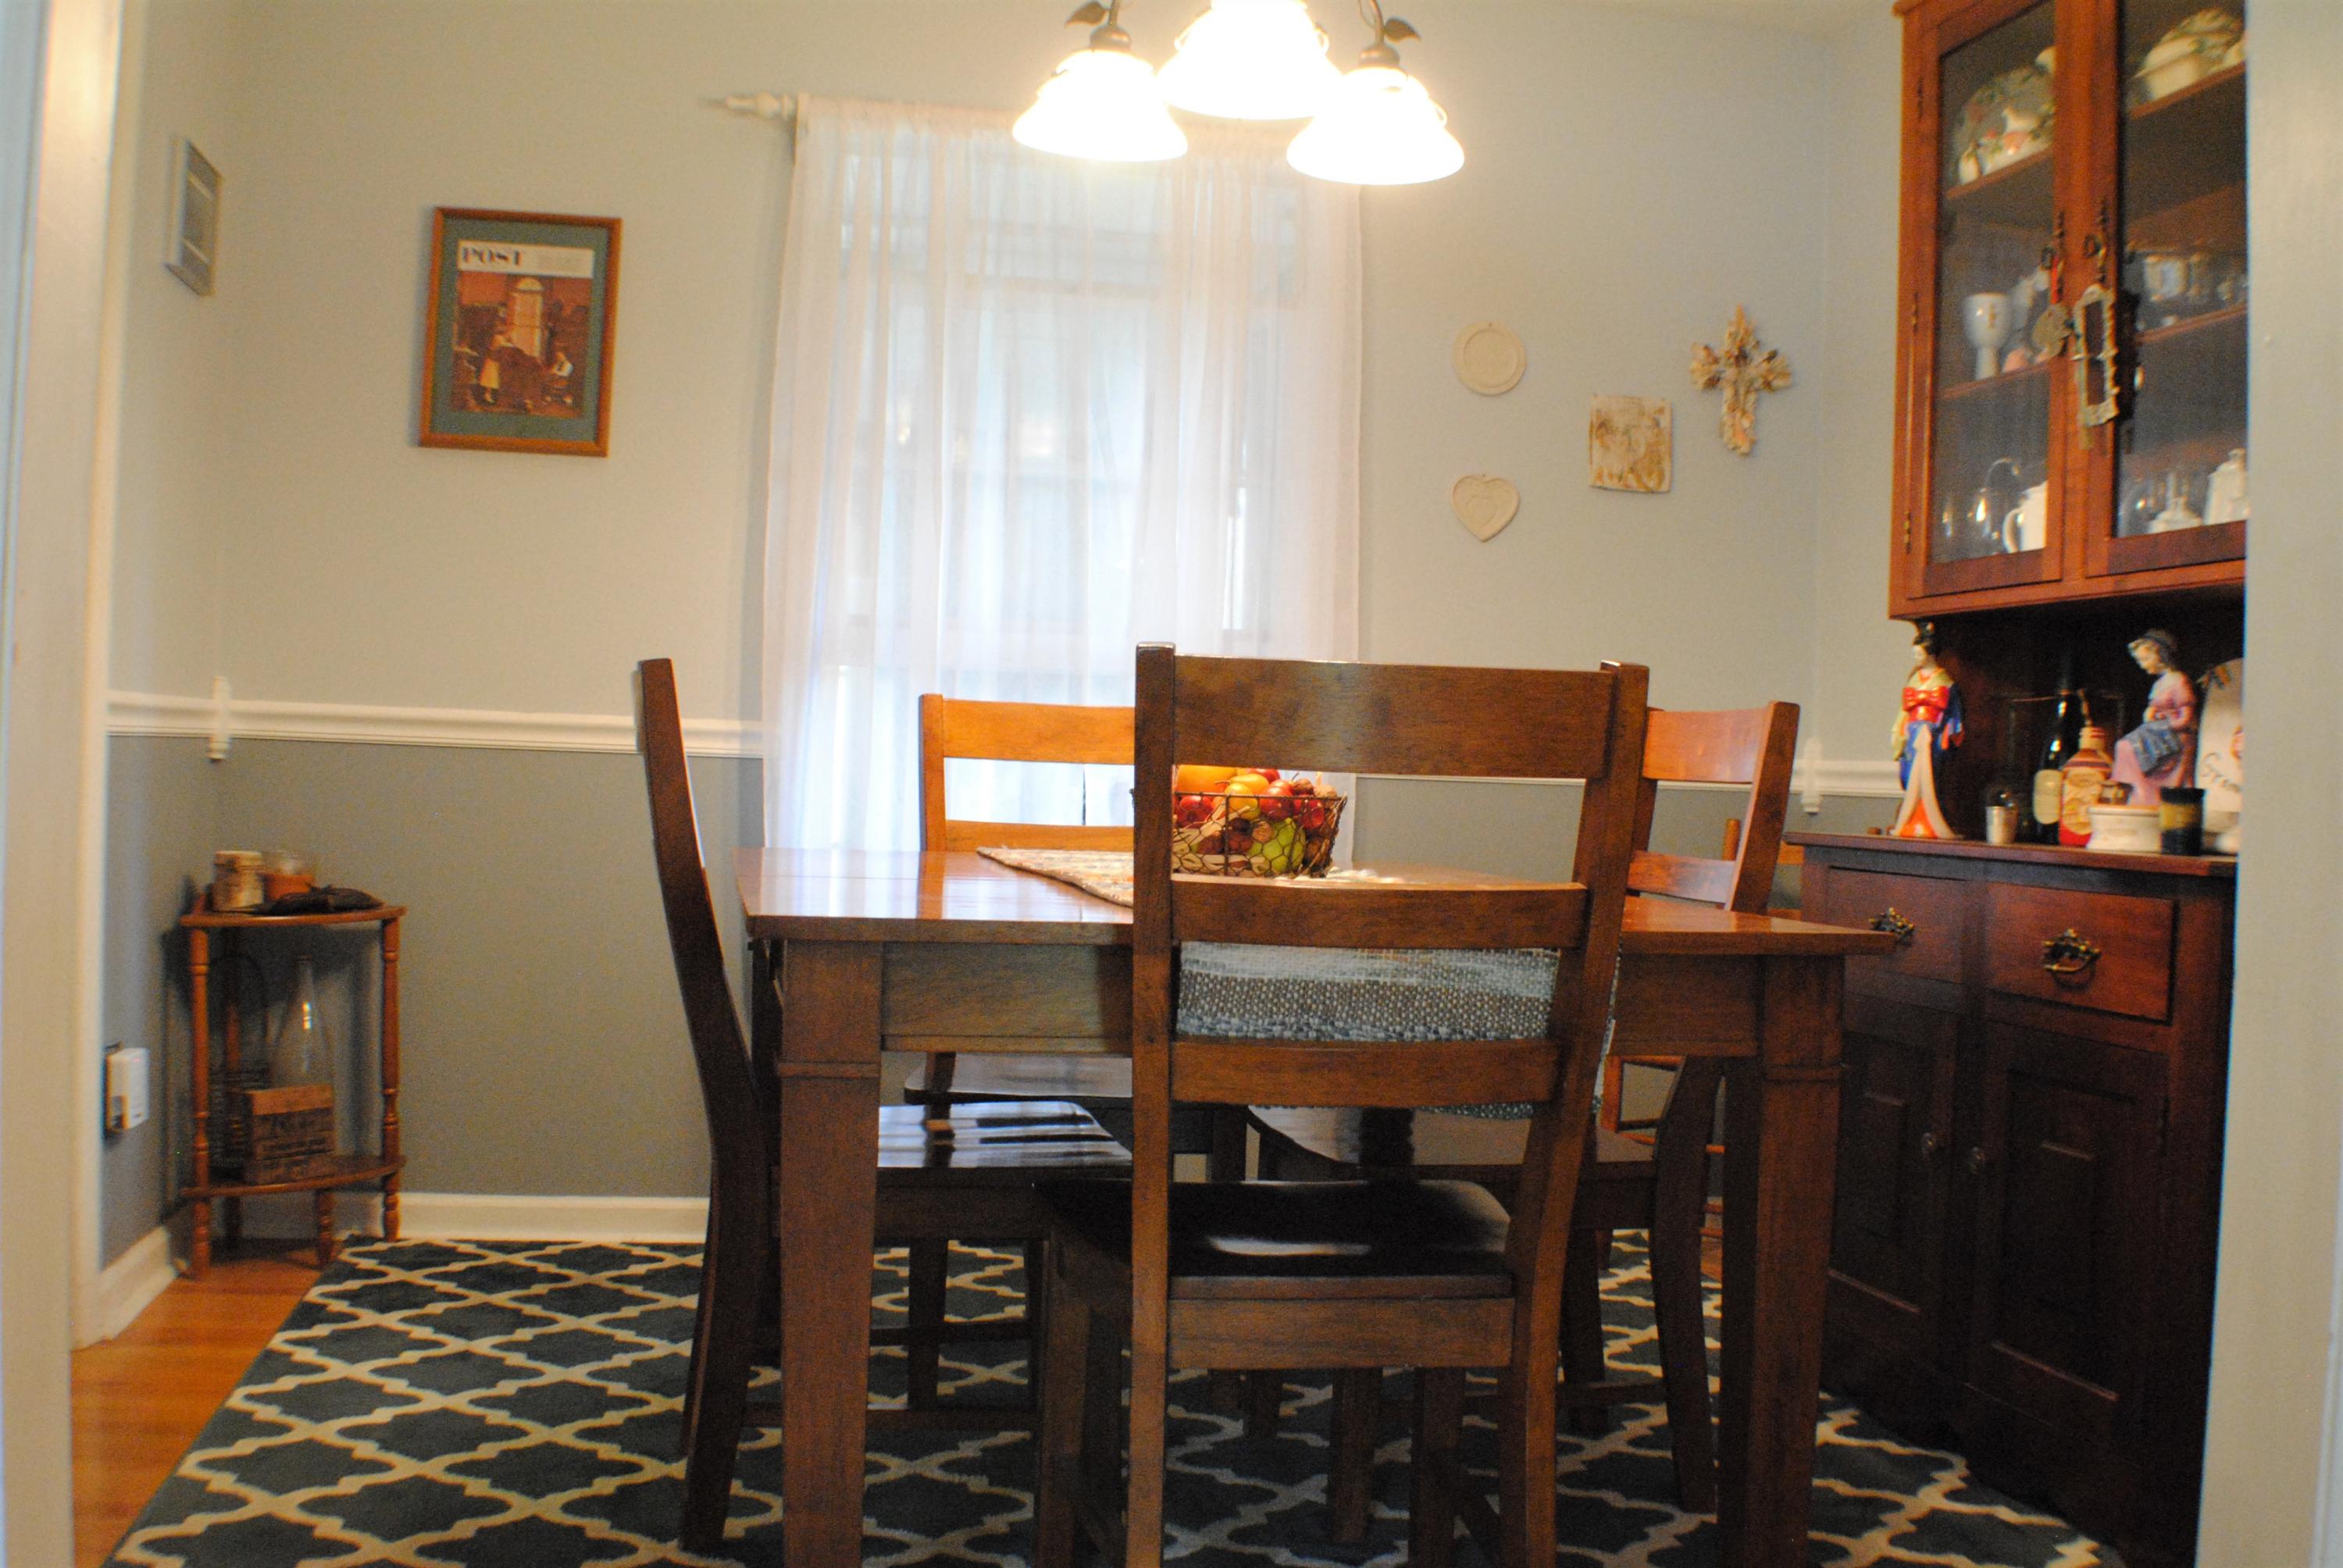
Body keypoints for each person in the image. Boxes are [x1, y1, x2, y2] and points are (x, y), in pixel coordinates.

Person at [1892, 621, 1963, 838]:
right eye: (1914, 655)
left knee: (1932, 774)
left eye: (1919, 654)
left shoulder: (1945, 682)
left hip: (1933, 731)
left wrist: (1948, 733)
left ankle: (1932, 819)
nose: (1916, 659)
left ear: (1930, 654)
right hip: (1913, 730)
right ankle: (1911, 818)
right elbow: (1903, 711)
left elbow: (1954, 713)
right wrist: (1900, 731)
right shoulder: (1913, 680)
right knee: (1909, 771)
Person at [2112, 629, 2197, 797]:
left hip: (2175, 736)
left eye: (2146, 659)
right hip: (2158, 732)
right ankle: (2139, 790)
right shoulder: (2158, 685)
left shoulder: (2179, 681)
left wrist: (2163, 726)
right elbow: (2154, 711)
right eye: (2140, 661)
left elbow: (2186, 719)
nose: (2143, 665)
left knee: (2128, 747)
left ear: (2160, 655)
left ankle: (2146, 792)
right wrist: (2151, 716)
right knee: (2123, 746)